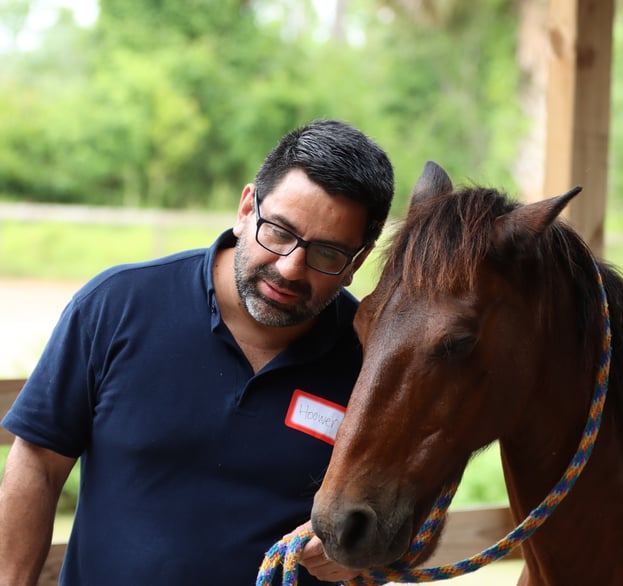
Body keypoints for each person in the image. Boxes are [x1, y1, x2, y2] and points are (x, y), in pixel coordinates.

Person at [0, 119, 395, 585]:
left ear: (358, 262)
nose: (290, 267)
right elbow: (38, 467)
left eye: (327, 253)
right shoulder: (115, 306)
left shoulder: (373, 360)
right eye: (280, 232)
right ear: (247, 208)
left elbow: (392, 514)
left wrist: (360, 555)